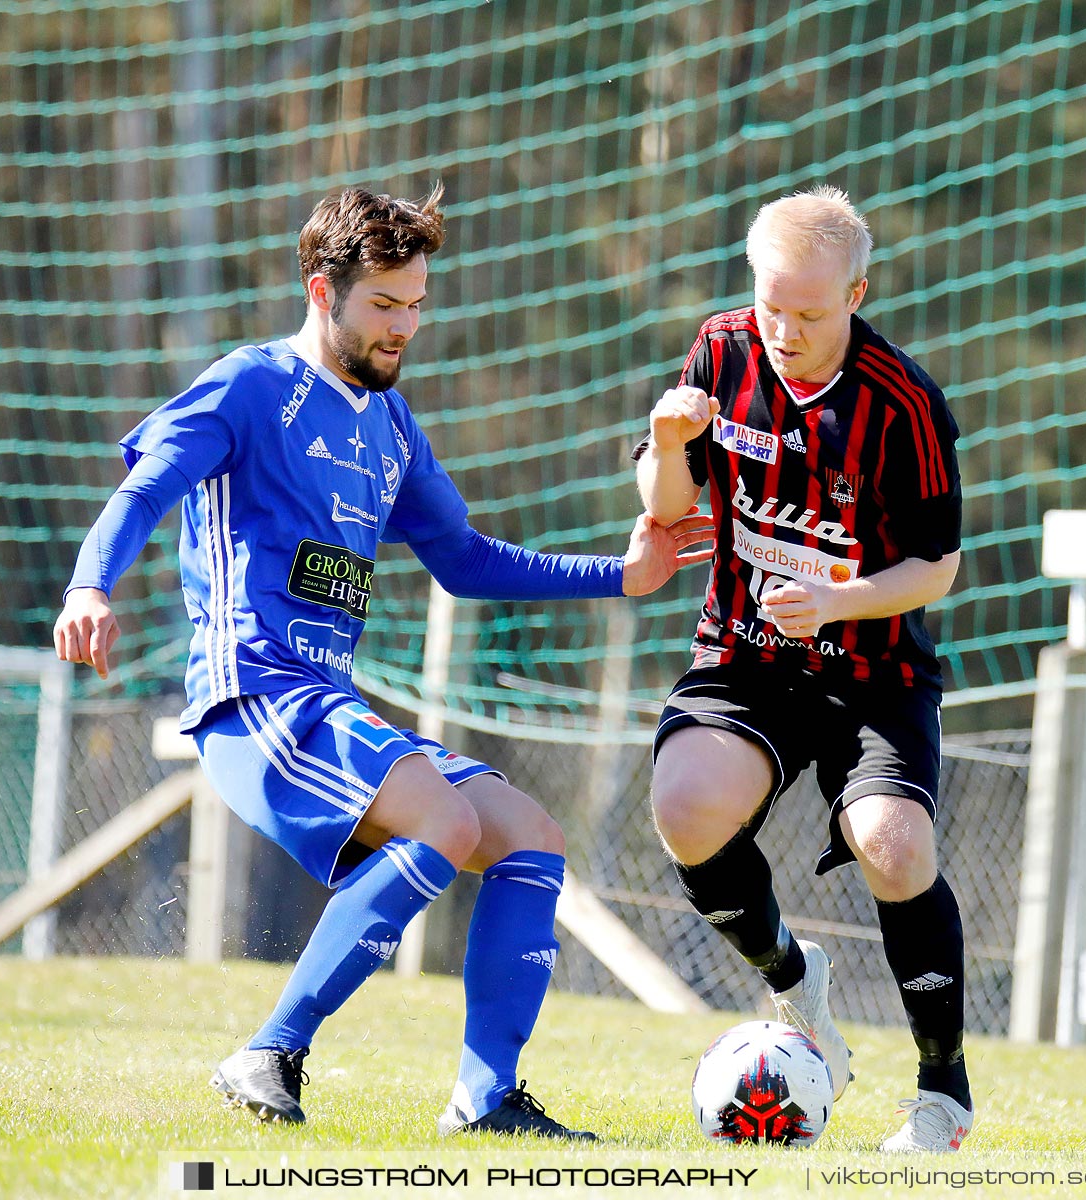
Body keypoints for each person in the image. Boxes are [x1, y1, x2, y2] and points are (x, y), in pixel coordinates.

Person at [52, 183, 712, 1139]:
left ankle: (484, 1100)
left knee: (529, 837)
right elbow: (147, 486)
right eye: (383, 306)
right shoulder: (251, 386)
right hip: (255, 696)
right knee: (443, 821)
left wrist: (624, 574)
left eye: (416, 306)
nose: (404, 327)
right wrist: (89, 586)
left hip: (325, 702)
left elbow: (468, 561)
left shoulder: (391, 428)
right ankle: (269, 1051)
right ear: (323, 292)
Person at [633, 186, 971, 1153]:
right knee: (686, 808)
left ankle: (941, 1094)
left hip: (872, 671)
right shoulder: (719, 348)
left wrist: (838, 599)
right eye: (771, 304)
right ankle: (792, 977)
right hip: (746, 656)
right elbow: (665, 504)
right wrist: (664, 446)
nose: (783, 329)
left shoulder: (904, 404)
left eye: (811, 313)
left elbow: (937, 566)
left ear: (857, 292)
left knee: (894, 845)